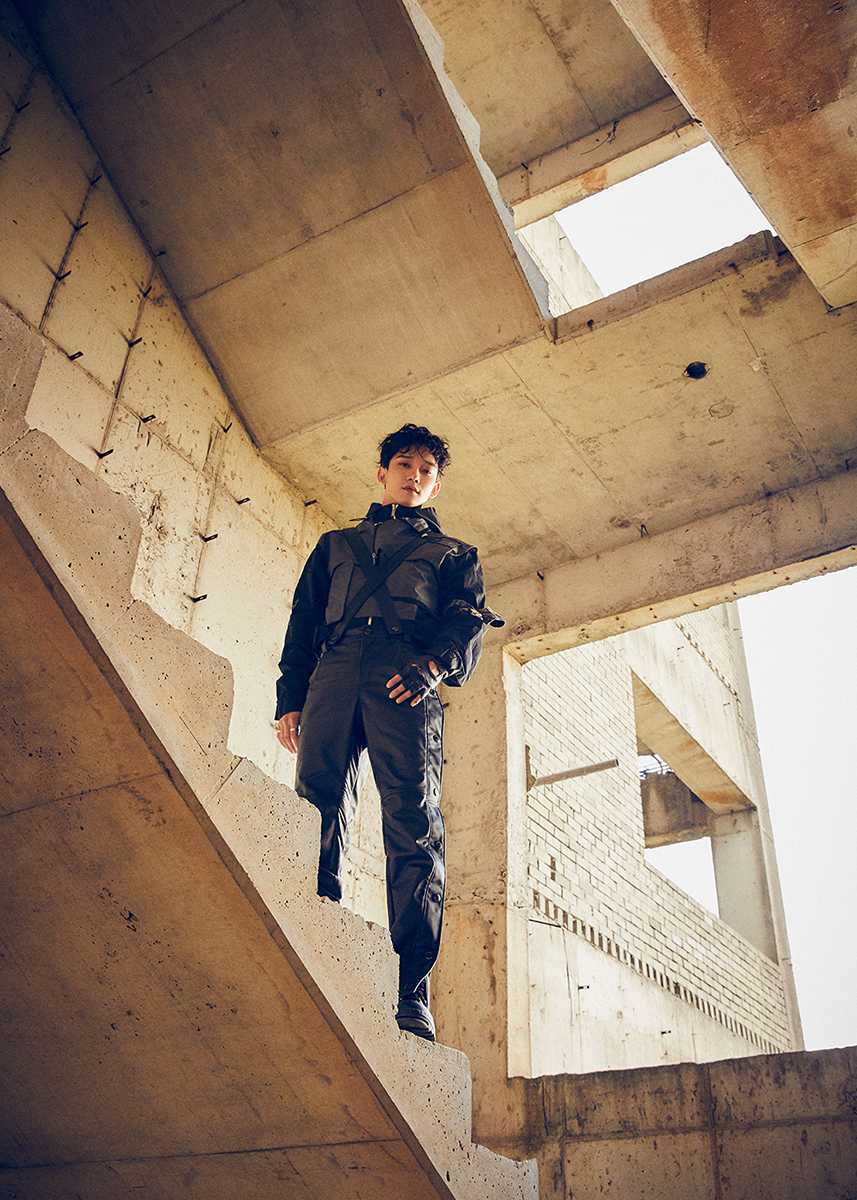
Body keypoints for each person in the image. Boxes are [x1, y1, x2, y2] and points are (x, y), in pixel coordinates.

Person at [275, 423, 501, 1041]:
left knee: (412, 820)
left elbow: (467, 622)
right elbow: (303, 622)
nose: (415, 476)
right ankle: (314, 922)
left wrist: (433, 666)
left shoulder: (454, 554)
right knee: (315, 800)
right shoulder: (334, 545)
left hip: (406, 679)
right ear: (383, 472)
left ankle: (410, 987)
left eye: (427, 471)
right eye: (405, 465)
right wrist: (291, 698)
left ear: (435, 486)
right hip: (334, 670)